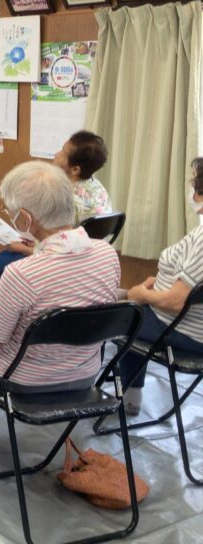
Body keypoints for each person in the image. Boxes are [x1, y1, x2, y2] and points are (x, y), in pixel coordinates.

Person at [0, 161, 121, 439]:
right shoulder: (107, 255)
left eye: (13, 214)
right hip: (85, 375)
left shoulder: (22, 274)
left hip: (25, 381)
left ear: (26, 220)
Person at [0, 130, 112, 289]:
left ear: (75, 169)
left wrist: (22, 248)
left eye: (63, 153)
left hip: (62, 263)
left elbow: (57, 254)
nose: (56, 154)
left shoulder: (66, 201)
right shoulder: (98, 188)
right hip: (85, 260)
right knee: (5, 256)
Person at [117, 157, 203, 416]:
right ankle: (131, 394)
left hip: (183, 330)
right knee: (124, 301)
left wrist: (143, 295)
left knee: (112, 314)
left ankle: (94, 393)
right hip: (185, 323)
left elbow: (176, 302)